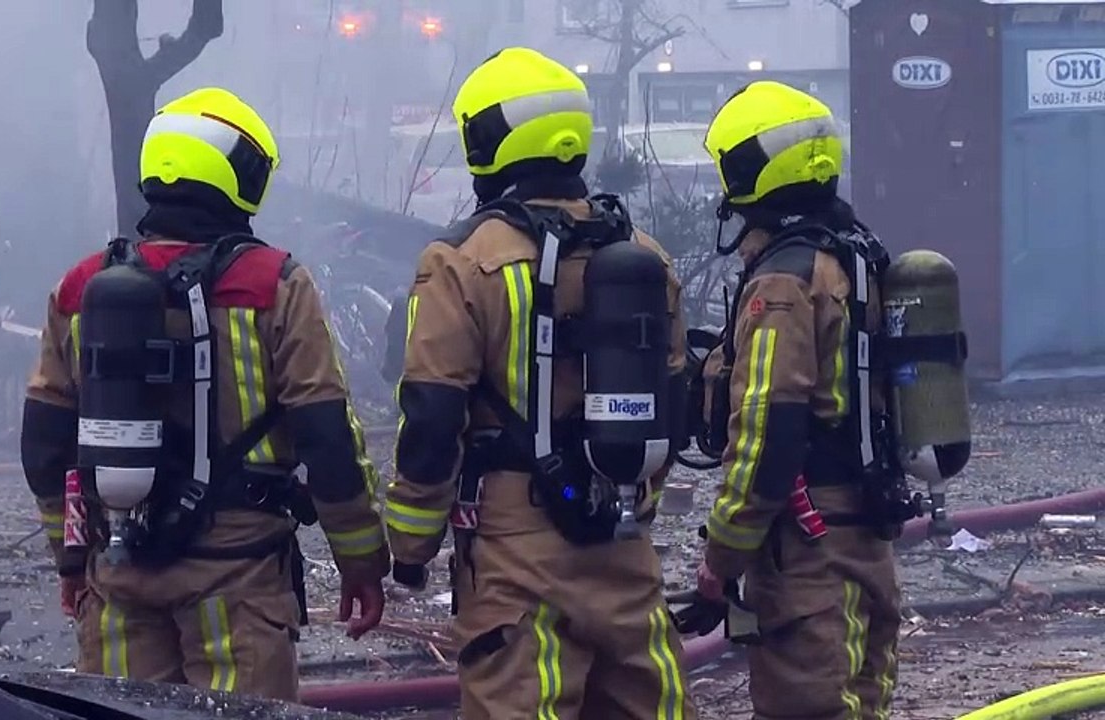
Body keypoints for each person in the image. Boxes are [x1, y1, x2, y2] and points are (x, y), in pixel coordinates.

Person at [19, 87, 388, 701]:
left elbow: (43, 446)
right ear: (240, 175)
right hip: (239, 582)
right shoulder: (275, 284)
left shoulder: (81, 288)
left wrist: (70, 560)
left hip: (119, 573)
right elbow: (326, 435)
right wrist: (360, 558)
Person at [383, 47, 696, 719]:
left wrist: (409, 552)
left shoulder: (460, 262)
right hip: (624, 546)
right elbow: (676, 403)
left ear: (488, 138)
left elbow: (432, 418)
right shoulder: (646, 257)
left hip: (514, 557)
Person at [695, 80, 901, 719]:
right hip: (867, 538)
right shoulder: (856, 254)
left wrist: (722, 555)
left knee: (810, 707)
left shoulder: (784, 279)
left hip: (810, 550)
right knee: (862, 703)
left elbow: (767, 428)